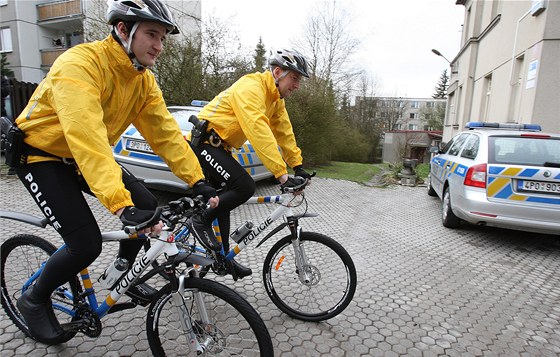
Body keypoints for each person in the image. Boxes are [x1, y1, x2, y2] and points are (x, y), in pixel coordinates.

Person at [13, 0, 218, 345]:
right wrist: (120, 207)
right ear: (123, 30)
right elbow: (87, 135)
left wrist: (196, 180)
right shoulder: (80, 64)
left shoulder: (142, 80)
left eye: (163, 38)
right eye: (152, 34)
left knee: (149, 206)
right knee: (85, 243)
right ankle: (33, 299)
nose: (159, 46)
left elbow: (165, 134)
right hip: (41, 155)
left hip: (80, 157)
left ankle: (124, 273)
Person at [189, 49, 313, 279]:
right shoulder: (251, 87)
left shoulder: (275, 100)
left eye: (299, 80)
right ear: (277, 72)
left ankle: (223, 258)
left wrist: (298, 166)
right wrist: (281, 175)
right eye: (295, 78)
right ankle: (199, 220)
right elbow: (257, 129)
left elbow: (284, 133)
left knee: (223, 202)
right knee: (244, 187)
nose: (297, 85)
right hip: (203, 144)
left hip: (220, 148)